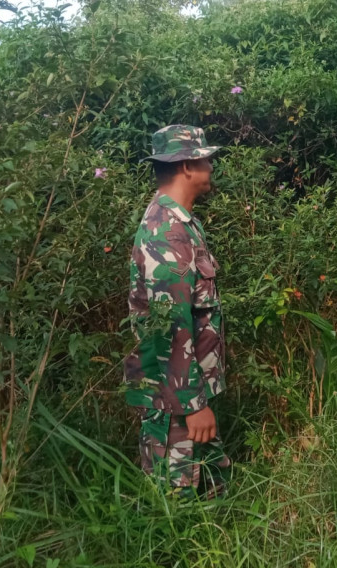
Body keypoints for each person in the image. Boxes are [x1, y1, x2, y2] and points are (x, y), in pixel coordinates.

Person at [124, 124, 230, 499]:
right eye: (207, 159)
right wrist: (192, 405)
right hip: (175, 402)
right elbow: (167, 328)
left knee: (212, 494)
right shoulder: (166, 231)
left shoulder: (183, 223)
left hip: (185, 394)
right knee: (176, 511)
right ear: (187, 165)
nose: (212, 167)